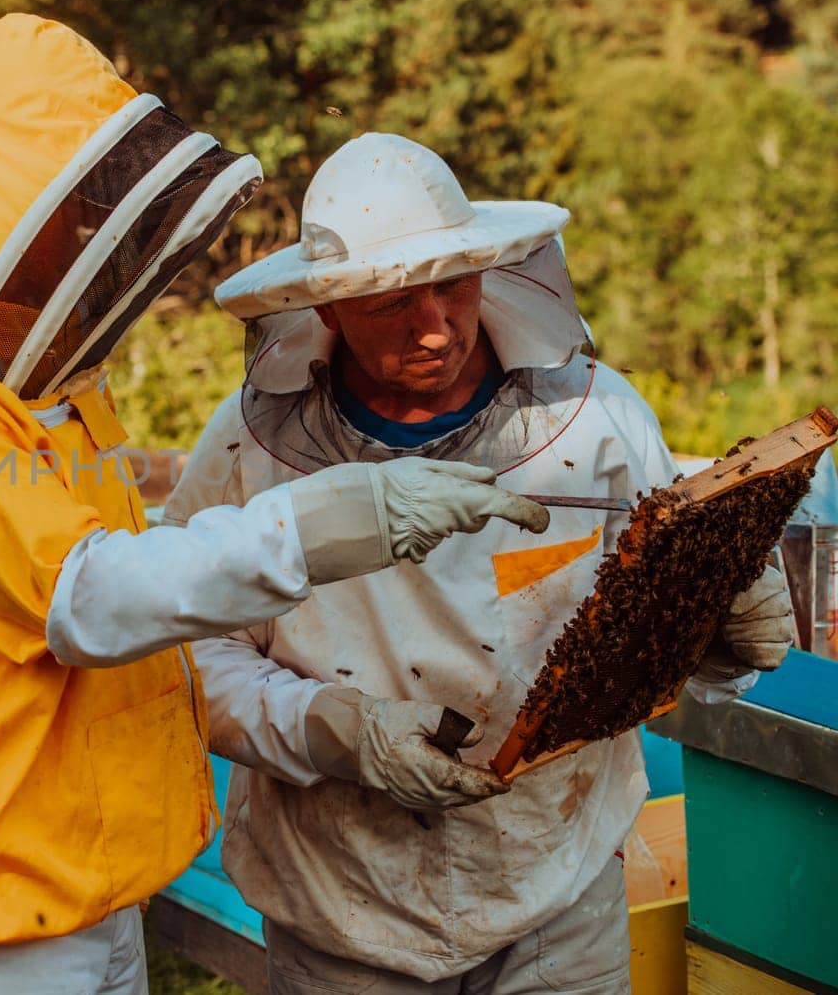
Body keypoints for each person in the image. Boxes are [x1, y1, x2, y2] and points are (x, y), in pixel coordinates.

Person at [0, 20, 549, 994]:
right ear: (2, 209)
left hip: (58, 843)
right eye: (79, 217)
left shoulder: (19, 340)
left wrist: (197, 472)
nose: (100, 246)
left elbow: (63, 495)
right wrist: (331, 518)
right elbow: (86, 591)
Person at [164, 131, 797, 993]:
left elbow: (659, 625)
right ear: (325, 309)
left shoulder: (597, 420)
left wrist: (721, 634)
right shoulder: (245, 445)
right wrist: (336, 729)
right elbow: (186, 650)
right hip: (342, 905)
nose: (435, 329)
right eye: (391, 303)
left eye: (453, 285)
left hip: (557, 893)